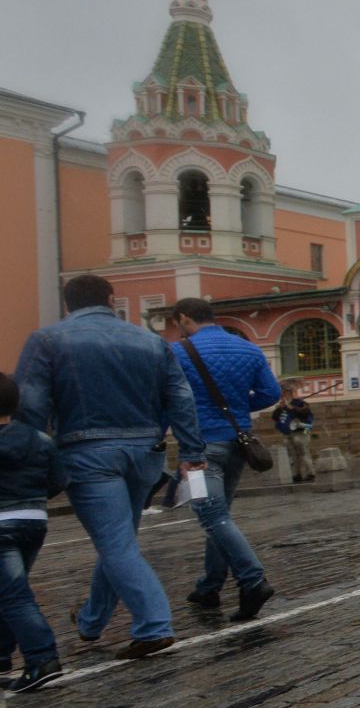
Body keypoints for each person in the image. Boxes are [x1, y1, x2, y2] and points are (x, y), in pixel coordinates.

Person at [15, 274, 205, 660]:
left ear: (68, 304)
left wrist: (29, 453)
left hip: (87, 452)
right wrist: (191, 450)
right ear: (111, 299)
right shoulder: (152, 341)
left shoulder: (48, 340)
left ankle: (154, 624)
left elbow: (31, 404)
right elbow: (180, 397)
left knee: (115, 543)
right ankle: (91, 620)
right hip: (146, 453)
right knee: (119, 540)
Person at [170, 300, 281, 623]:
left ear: (184, 318)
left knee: (212, 516)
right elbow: (270, 392)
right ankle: (209, 586)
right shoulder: (247, 348)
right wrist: (240, 407)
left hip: (199, 448)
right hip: (237, 443)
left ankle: (253, 581)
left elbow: (170, 397)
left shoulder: (177, 353)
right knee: (220, 515)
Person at [0, 371, 67, 692]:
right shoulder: (40, 439)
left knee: (13, 595)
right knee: (9, 590)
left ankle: (42, 657)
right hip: (33, 521)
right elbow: (58, 480)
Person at [273, 394, 316, 482]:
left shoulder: (301, 403)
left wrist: (292, 408)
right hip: (289, 433)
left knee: (304, 453)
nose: (283, 398)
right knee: (293, 455)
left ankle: (310, 473)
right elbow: (275, 417)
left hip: (301, 432)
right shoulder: (282, 407)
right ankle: (297, 474)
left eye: (285, 394)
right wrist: (279, 408)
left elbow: (305, 413)